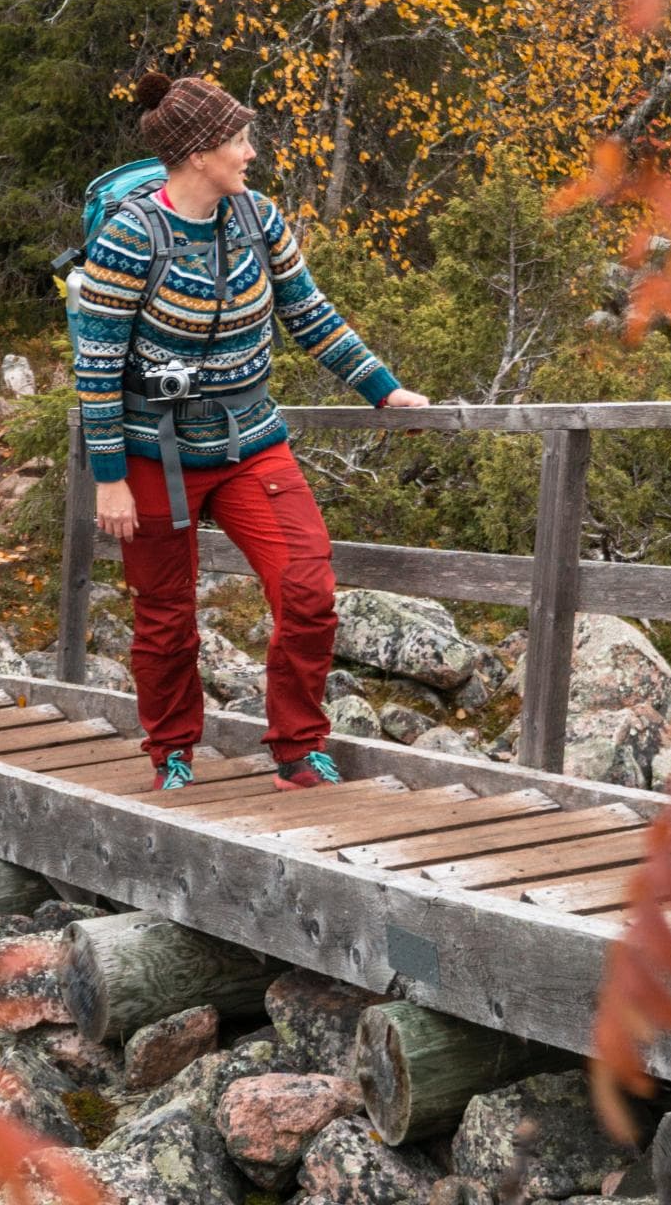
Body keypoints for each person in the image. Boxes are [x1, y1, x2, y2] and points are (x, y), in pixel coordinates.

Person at [71, 72, 428, 791]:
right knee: (166, 617)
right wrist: (109, 479)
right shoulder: (129, 238)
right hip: (151, 455)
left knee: (307, 587)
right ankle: (171, 751)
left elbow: (310, 315)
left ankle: (298, 748)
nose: (250, 153)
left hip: (248, 443)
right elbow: (97, 365)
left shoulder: (258, 219)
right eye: (238, 140)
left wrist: (383, 389)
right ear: (199, 153)